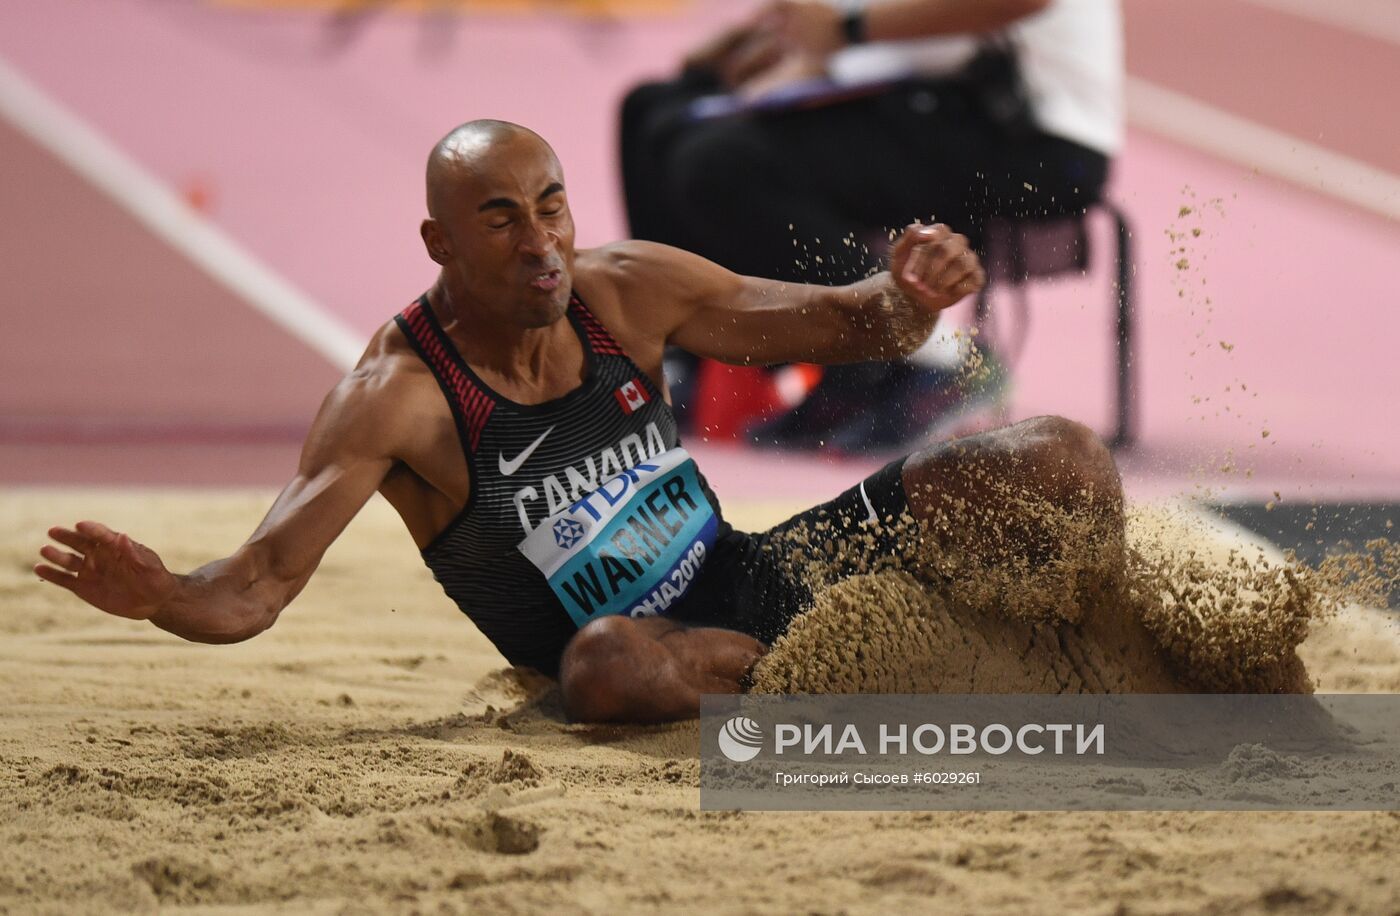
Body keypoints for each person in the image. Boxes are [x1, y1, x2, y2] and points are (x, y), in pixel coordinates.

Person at [35, 120, 1122, 724]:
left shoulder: (623, 291)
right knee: (599, 666)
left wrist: (908, 297)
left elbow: (846, 327)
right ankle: (876, 674)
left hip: (755, 584)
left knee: (1059, 459)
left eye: (550, 204)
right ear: (438, 243)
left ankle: (1121, 655)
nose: (540, 241)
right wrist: (167, 598)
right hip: (650, 659)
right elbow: (261, 582)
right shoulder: (402, 399)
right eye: (500, 219)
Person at [619, 0, 1123, 453]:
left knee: (721, 162)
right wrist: (770, 43)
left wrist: (848, 31)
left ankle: (936, 360)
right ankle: (691, 355)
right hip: (915, 93)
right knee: (654, 110)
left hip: (1030, 133)